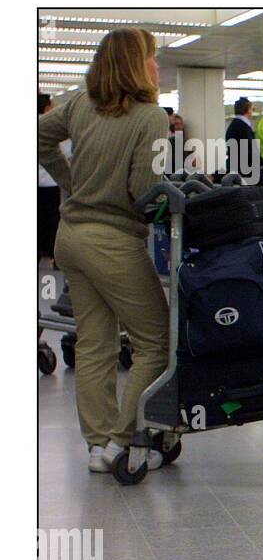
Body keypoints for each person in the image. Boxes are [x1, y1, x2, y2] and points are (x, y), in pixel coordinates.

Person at [37, 27, 170, 473]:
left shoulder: (79, 103)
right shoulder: (151, 116)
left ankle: (98, 446)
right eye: (152, 57)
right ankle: (123, 439)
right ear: (137, 64)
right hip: (112, 241)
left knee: (95, 344)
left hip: (70, 236)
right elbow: (144, 188)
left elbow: (37, 136)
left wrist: (70, 179)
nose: (156, 65)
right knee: (156, 341)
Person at [38, 93, 70, 260]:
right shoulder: (55, 126)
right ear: (48, 107)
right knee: (53, 219)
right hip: (52, 181)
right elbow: (68, 152)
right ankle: (53, 253)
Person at [224, 96, 257, 180]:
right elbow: (250, 150)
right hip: (244, 171)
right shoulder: (242, 127)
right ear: (248, 110)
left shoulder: (234, 125)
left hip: (237, 169)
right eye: (252, 109)